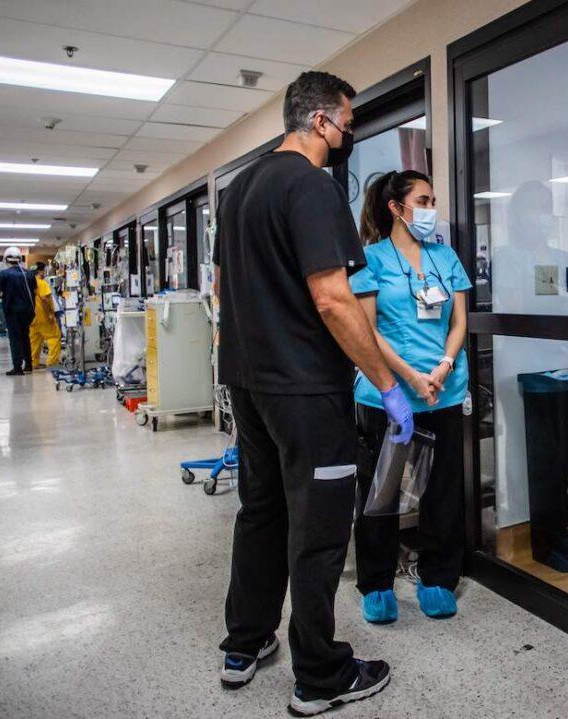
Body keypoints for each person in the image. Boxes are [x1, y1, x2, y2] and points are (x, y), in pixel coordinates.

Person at [213, 70, 412, 717]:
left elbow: (222, 290)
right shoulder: (312, 186)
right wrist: (386, 383)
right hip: (304, 389)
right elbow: (333, 298)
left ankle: (245, 642)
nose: (349, 133)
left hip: (246, 381)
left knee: (261, 510)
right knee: (320, 527)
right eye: (348, 121)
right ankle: (320, 676)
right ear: (322, 121)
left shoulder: (240, 189)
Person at [350, 171, 470, 623]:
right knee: (379, 492)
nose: (430, 208)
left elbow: (458, 323)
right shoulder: (371, 259)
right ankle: (377, 583)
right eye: (423, 199)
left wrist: (441, 368)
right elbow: (368, 331)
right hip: (388, 396)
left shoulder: (446, 256)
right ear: (396, 208)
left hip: (444, 391)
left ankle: (438, 577)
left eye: (433, 199)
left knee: (442, 490)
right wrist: (410, 377)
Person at [0, 246, 37, 376]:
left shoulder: (4, 274)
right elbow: (35, 292)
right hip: (29, 311)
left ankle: (17, 367)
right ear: (20, 259)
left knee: (15, 338)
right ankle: (29, 364)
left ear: (5, 259)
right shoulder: (29, 274)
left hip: (13, 311)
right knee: (25, 336)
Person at [28, 262, 61, 368]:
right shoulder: (42, 283)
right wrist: (50, 315)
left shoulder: (28, 283)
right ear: (41, 271)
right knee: (54, 337)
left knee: (35, 340)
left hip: (32, 318)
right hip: (44, 317)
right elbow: (45, 299)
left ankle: (33, 362)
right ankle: (52, 362)